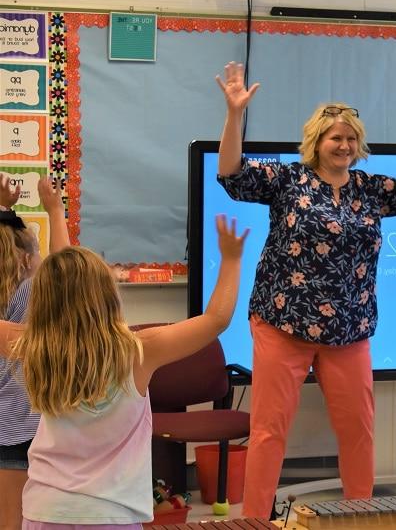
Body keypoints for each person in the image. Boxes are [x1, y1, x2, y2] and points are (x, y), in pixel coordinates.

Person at [214, 61, 396, 517]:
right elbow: (232, 175)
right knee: (268, 431)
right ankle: (255, 522)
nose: (343, 144)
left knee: (359, 430)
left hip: (349, 332)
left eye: (350, 137)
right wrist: (234, 114)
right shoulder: (288, 181)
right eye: (334, 137)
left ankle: (359, 520)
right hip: (283, 324)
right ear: (316, 142)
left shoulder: (370, 189)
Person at [0, 215, 246, 528]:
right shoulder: (137, 351)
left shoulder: (32, 346)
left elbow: (63, 284)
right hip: (112, 515)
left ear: (43, 301)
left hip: (45, 511)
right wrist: (232, 259)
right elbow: (216, 320)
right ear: (107, 295)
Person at [0, 175, 69, 530]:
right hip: (20, 432)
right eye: (34, 248)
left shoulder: (16, 293)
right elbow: (63, 271)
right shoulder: (29, 292)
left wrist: (5, 210)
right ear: (23, 259)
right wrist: (55, 210)